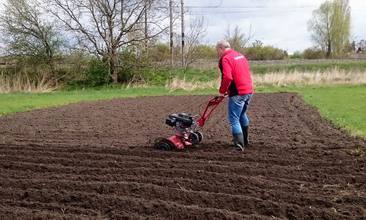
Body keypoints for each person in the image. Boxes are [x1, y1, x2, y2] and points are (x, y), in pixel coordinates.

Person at [216, 40, 254, 151]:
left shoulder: (225, 58)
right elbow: (243, 72)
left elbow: (227, 77)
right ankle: (245, 141)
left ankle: (238, 145)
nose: (217, 53)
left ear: (221, 48)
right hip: (249, 91)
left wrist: (223, 90)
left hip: (238, 92)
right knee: (242, 114)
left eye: (217, 50)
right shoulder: (240, 56)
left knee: (234, 119)